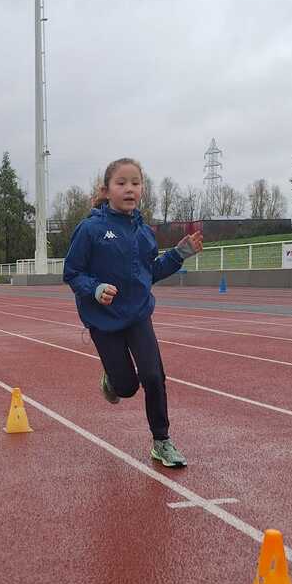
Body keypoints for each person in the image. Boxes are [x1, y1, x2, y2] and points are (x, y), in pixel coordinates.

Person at [63, 158, 202, 467]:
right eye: (121, 183)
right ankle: (113, 380)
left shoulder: (144, 233)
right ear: (106, 190)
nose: (129, 189)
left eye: (135, 183)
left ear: (142, 190)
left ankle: (161, 441)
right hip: (104, 320)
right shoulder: (90, 229)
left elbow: (150, 272)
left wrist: (179, 254)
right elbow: (72, 272)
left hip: (138, 314)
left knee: (153, 375)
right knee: (126, 388)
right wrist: (95, 289)